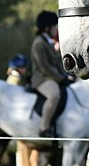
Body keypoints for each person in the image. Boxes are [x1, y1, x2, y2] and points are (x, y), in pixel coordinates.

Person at [30, 11, 71, 139]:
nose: (56, 29)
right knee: (54, 95)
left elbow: (57, 62)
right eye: (55, 26)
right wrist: (60, 78)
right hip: (41, 78)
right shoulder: (39, 43)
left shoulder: (47, 42)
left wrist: (66, 74)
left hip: (50, 76)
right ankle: (44, 127)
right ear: (47, 28)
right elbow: (44, 67)